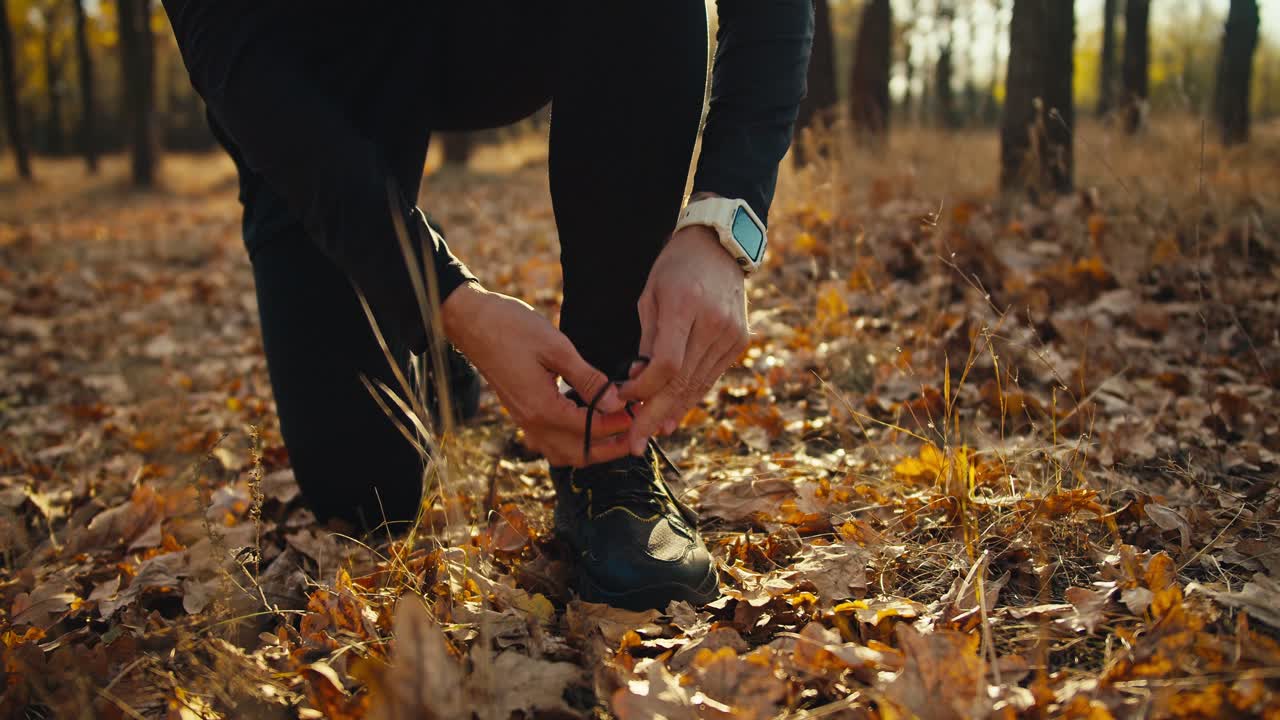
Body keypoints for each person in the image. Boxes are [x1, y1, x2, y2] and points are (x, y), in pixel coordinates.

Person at [161, 1, 813, 611]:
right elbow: (243, 71)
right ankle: (425, 319)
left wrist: (725, 221)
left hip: (489, 28)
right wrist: (444, 298)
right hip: (315, 85)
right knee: (363, 502)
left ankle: (608, 444)